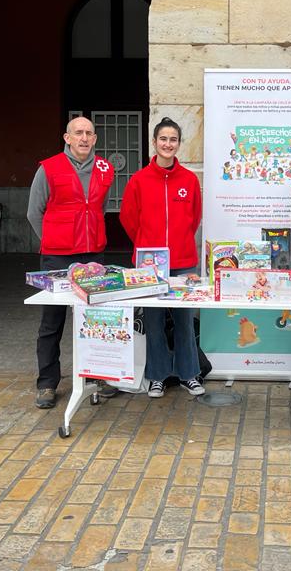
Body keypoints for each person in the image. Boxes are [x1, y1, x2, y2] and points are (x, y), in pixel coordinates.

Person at [27, 116, 114, 409]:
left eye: (89, 133)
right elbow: (33, 212)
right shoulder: (48, 168)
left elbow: (99, 208)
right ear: (67, 137)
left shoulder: (105, 169)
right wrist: (53, 240)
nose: (84, 138)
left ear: (95, 139)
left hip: (92, 257)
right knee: (52, 322)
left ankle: (96, 376)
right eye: (78, 133)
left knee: (95, 321)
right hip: (57, 255)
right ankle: (47, 383)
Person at [120, 117, 204, 398]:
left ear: (179, 144)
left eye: (173, 139)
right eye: (163, 139)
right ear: (154, 142)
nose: (168, 144)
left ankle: (189, 374)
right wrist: (146, 246)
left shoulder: (189, 180)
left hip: (183, 261)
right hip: (149, 264)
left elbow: (194, 218)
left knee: (184, 319)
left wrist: (178, 243)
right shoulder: (139, 180)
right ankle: (157, 376)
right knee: (153, 320)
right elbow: (129, 219)